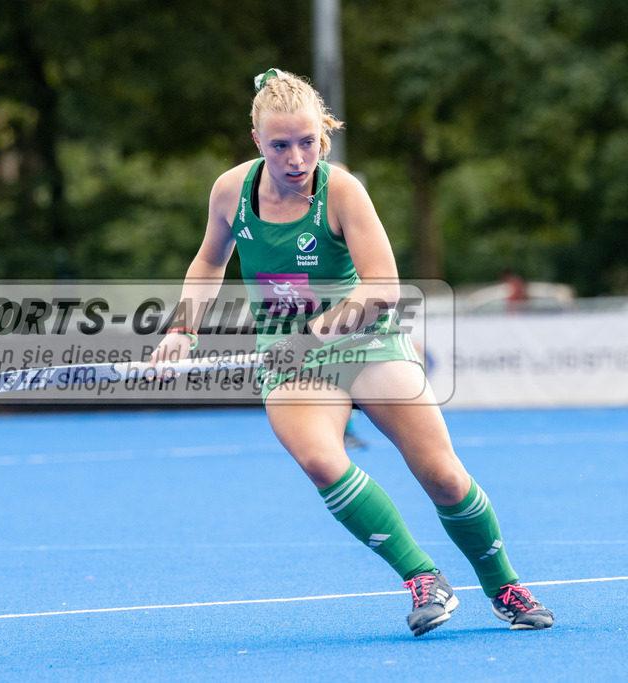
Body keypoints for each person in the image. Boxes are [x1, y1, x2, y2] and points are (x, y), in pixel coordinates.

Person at [149, 68, 552, 636]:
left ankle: (504, 585)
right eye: (281, 144)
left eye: (308, 142)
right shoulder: (229, 191)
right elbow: (210, 262)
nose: (296, 158)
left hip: (364, 337)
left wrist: (309, 337)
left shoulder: (341, 191)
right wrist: (181, 330)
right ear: (257, 142)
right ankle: (422, 577)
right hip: (286, 353)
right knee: (320, 460)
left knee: (443, 477)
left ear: (324, 136)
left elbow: (383, 287)